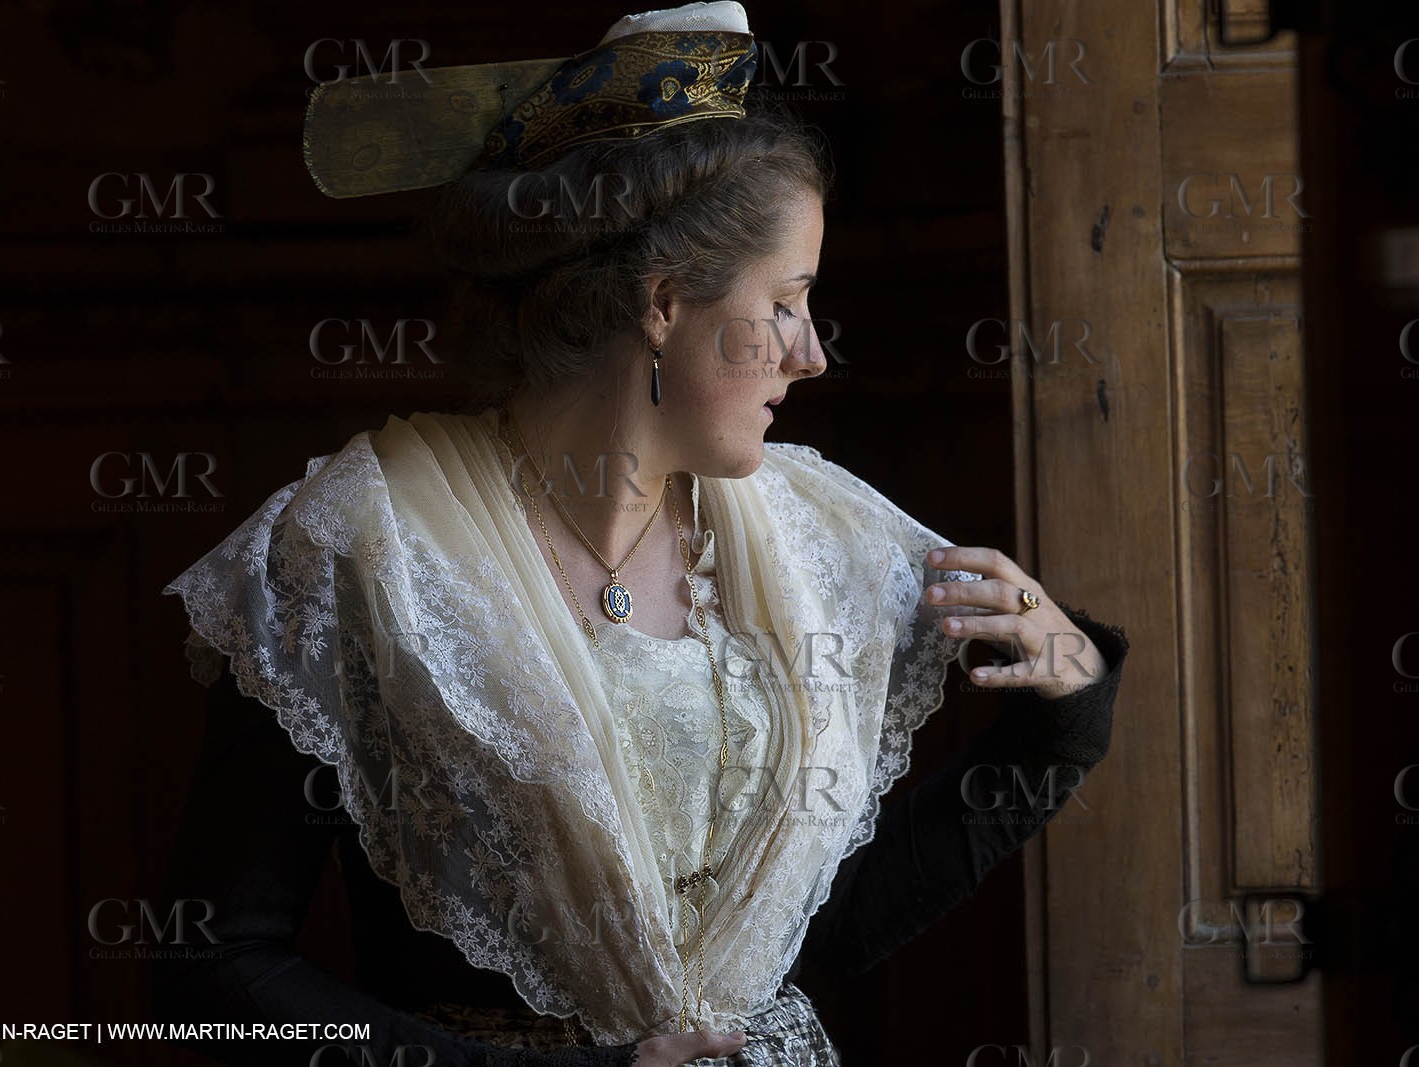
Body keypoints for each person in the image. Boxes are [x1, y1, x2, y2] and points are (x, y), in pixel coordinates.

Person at [153, 3, 1131, 1065]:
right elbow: (211, 966)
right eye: (789, 301)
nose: (811, 354)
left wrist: (1061, 718)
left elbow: (822, 929)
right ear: (664, 301)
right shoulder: (363, 545)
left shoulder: (819, 541)